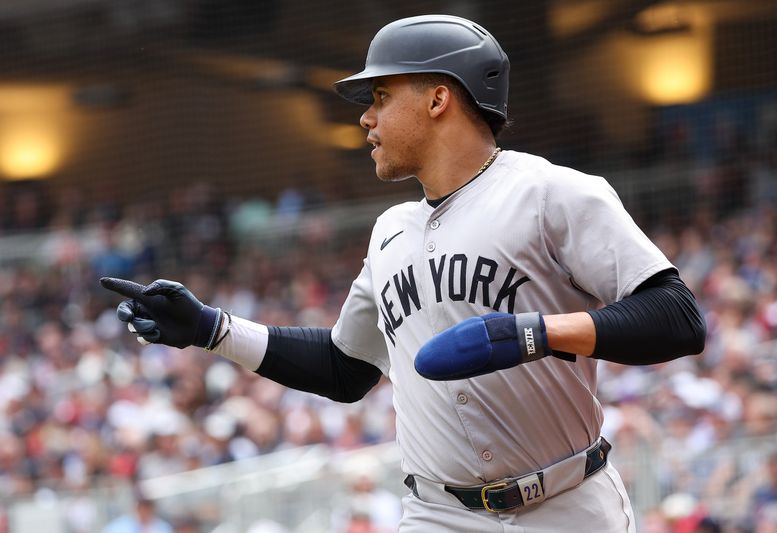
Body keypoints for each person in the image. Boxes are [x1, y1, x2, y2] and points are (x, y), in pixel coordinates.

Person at [101, 14, 706, 532]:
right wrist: (212, 329)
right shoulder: (390, 231)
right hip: (438, 514)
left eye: (381, 97)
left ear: (438, 98)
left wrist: (536, 333)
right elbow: (345, 369)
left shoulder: (551, 193)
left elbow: (677, 318)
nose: (366, 119)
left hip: (568, 505)